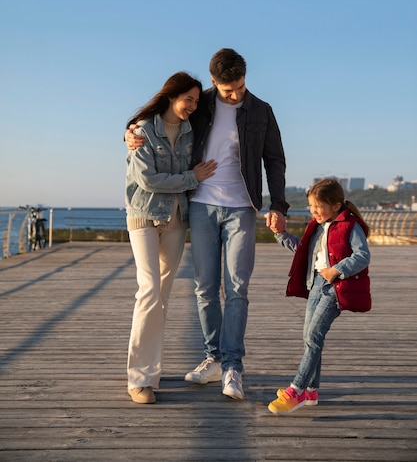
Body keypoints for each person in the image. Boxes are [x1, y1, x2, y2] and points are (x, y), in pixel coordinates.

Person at [126, 49, 289, 401]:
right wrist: (129, 133)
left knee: (237, 288)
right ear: (214, 82)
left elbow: (274, 161)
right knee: (204, 288)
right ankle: (213, 358)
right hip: (198, 205)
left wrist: (278, 205)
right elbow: (162, 121)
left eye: (241, 87)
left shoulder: (261, 111)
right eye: (229, 90)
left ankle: (233, 366)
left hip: (242, 208)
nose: (236, 95)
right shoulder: (200, 106)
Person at [125, 72, 217, 404]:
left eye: (196, 100)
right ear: (170, 96)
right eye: (187, 99)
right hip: (144, 215)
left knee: (161, 295)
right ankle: (138, 379)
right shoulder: (142, 130)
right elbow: (148, 180)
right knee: (148, 290)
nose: (192, 106)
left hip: (177, 220)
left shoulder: (195, 129)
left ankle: (151, 372)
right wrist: (191, 177)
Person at [266, 178, 371, 415]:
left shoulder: (349, 225)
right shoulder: (317, 225)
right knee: (309, 337)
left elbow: (363, 255)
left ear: (336, 205)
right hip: (315, 284)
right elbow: (302, 248)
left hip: (335, 287)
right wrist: (281, 234)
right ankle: (311, 392)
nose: (314, 212)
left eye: (319, 207)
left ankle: (296, 390)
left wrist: (337, 270)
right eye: (312, 207)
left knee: (314, 336)